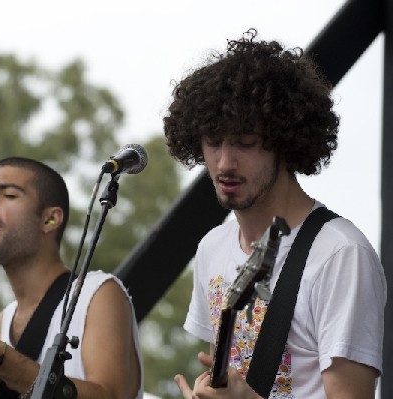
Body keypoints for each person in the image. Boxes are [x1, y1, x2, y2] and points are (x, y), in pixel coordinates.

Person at [163, 29, 386, 398]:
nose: (224, 162)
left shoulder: (340, 255)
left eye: (245, 142)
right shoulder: (212, 248)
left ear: (284, 140)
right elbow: (228, 371)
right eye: (213, 142)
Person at [0, 156, 143, 398]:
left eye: (9, 195)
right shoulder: (6, 318)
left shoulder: (97, 293)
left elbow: (110, 395)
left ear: (50, 219)